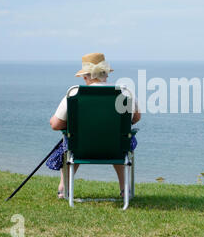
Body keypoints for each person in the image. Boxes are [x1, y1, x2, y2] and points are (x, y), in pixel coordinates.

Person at [49, 52, 141, 199]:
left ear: (85, 77)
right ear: (106, 75)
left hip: (82, 147)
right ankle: (125, 190)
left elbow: (55, 124)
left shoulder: (74, 94)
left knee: (72, 142)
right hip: (116, 147)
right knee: (119, 140)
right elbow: (136, 118)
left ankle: (63, 188)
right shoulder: (125, 93)